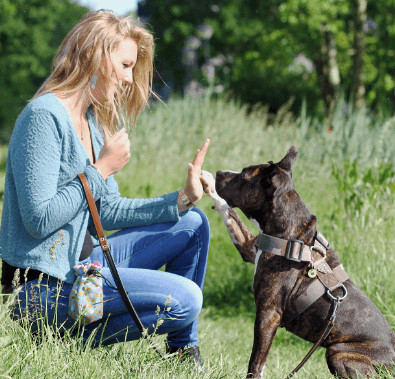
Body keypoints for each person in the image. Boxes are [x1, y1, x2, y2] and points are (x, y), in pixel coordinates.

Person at [0, 10, 210, 365]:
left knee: (194, 224)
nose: (129, 78)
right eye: (125, 65)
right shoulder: (43, 117)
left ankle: (182, 352)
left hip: (84, 267)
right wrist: (100, 170)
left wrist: (182, 198)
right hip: (41, 288)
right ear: (94, 56)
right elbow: (38, 219)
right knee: (186, 299)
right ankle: (65, 338)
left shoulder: (92, 122)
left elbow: (108, 209)